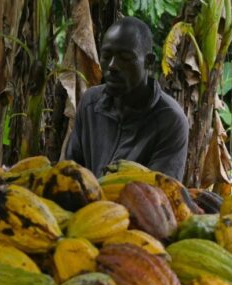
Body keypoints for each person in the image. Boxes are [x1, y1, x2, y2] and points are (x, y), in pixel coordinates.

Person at [65, 17, 188, 180]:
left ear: (149, 62)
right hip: (85, 202)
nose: (112, 66)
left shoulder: (170, 120)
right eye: (107, 55)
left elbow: (159, 195)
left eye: (125, 58)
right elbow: (70, 173)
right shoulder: (90, 104)